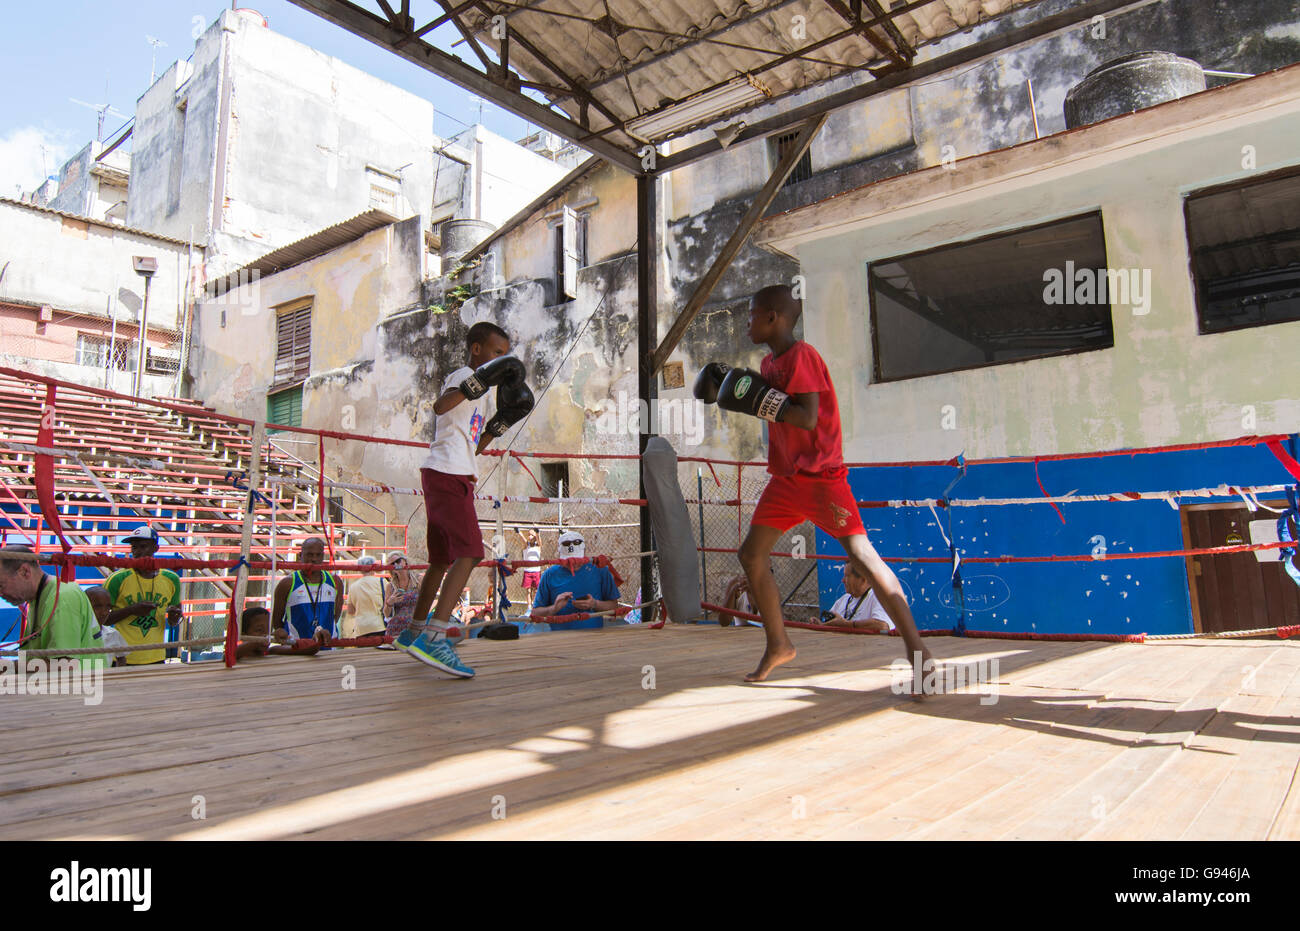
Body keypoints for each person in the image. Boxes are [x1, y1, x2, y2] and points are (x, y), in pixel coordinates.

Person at [695, 284, 933, 687]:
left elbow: (805, 418)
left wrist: (757, 397)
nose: (747, 321)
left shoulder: (803, 356)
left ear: (774, 317)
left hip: (822, 478)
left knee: (863, 556)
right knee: (752, 554)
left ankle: (916, 650)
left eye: (753, 314)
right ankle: (778, 644)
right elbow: (774, 405)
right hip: (787, 480)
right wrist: (742, 388)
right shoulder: (769, 365)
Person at [397, 321, 533, 676]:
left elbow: (473, 446)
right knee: (472, 552)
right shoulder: (462, 375)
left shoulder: (485, 396)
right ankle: (435, 638)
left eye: (505, 356)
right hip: (446, 476)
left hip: (453, 473)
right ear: (478, 351)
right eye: (497, 354)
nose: (503, 361)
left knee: (441, 561)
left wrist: (499, 424)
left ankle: (413, 633)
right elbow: (440, 407)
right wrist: (480, 381)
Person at [0, 545, 104, 668]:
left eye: (1, 585)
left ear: (24, 572)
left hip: (83, 684)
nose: (1, 594)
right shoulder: (38, 596)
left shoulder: (62, 597)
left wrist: (6, 666)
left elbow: (64, 664)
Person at [102, 526, 182, 666]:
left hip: (156, 656)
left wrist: (175, 617)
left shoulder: (171, 579)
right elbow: (101, 620)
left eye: (143, 546)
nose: (137, 552)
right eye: (134, 547)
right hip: (122, 658)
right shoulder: (117, 579)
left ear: (155, 548)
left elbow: (174, 620)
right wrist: (131, 610)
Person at [530, 530, 620, 631]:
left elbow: (614, 606)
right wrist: (554, 608)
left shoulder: (600, 570)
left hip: (594, 637)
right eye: (568, 560)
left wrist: (594, 604)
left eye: (578, 559)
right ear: (560, 555)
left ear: (585, 552)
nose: (574, 563)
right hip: (559, 639)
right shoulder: (549, 575)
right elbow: (535, 614)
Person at [270, 537, 338, 647]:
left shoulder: (335, 581)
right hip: (296, 647)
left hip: (327, 648)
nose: (314, 559)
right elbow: (277, 621)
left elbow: (335, 615)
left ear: (323, 556)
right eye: (310, 554)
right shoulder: (287, 584)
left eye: (318, 555)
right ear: (301, 555)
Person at [820, 562, 895, 632]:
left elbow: (882, 626)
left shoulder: (879, 596)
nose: (843, 580)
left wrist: (846, 625)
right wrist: (821, 624)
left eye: (847, 576)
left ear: (863, 579)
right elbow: (832, 621)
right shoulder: (844, 599)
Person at [236, 606, 322, 659]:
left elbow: (309, 650)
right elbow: (231, 655)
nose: (266, 634)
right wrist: (258, 641)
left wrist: (319, 639)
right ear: (243, 634)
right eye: (259, 630)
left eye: (269, 631)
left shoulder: (272, 651)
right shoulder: (240, 654)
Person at [342, 555, 388, 640]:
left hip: (361, 628)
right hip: (379, 625)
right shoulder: (382, 582)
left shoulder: (353, 586)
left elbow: (351, 611)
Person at [381, 553, 421, 646]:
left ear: (405, 561)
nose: (396, 565)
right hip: (395, 629)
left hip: (415, 627)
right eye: (392, 564)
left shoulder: (418, 580)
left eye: (398, 561)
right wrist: (389, 603)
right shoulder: (390, 586)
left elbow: (428, 602)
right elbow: (386, 614)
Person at [85, 585, 128, 666]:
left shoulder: (112, 634)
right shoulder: (78, 634)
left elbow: (122, 658)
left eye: (108, 607)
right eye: (97, 607)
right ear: (85, 606)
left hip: (104, 677)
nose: (104, 612)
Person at [517, 528, 542, 606]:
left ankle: (535, 605)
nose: (530, 537)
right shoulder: (526, 546)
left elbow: (539, 540)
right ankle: (529, 607)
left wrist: (538, 533)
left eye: (532, 535)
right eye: (529, 535)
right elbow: (523, 540)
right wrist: (519, 532)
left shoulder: (538, 546)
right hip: (528, 571)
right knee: (528, 590)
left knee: (536, 590)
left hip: (536, 571)